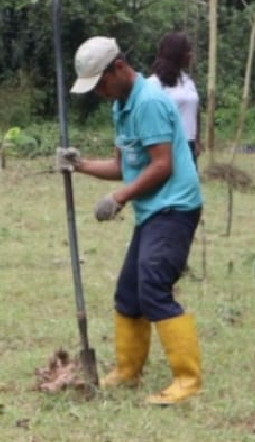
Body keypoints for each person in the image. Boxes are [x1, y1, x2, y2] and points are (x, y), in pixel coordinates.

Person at [55, 36, 203, 405]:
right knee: (129, 294)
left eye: (101, 83)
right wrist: (80, 165)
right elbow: (124, 167)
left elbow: (162, 165)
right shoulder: (121, 106)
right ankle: (127, 371)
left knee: (153, 285)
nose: (100, 92)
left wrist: (119, 199)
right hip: (153, 210)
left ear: (119, 68)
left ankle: (187, 380)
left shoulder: (149, 102)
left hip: (175, 207)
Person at [147, 32, 202, 167]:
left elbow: (195, 111)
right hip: (169, 144)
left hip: (189, 144)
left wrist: (197, 140)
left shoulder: (187, 81)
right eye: (187, 51)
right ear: (177, 54)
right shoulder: (154, 83)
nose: (191, 55)